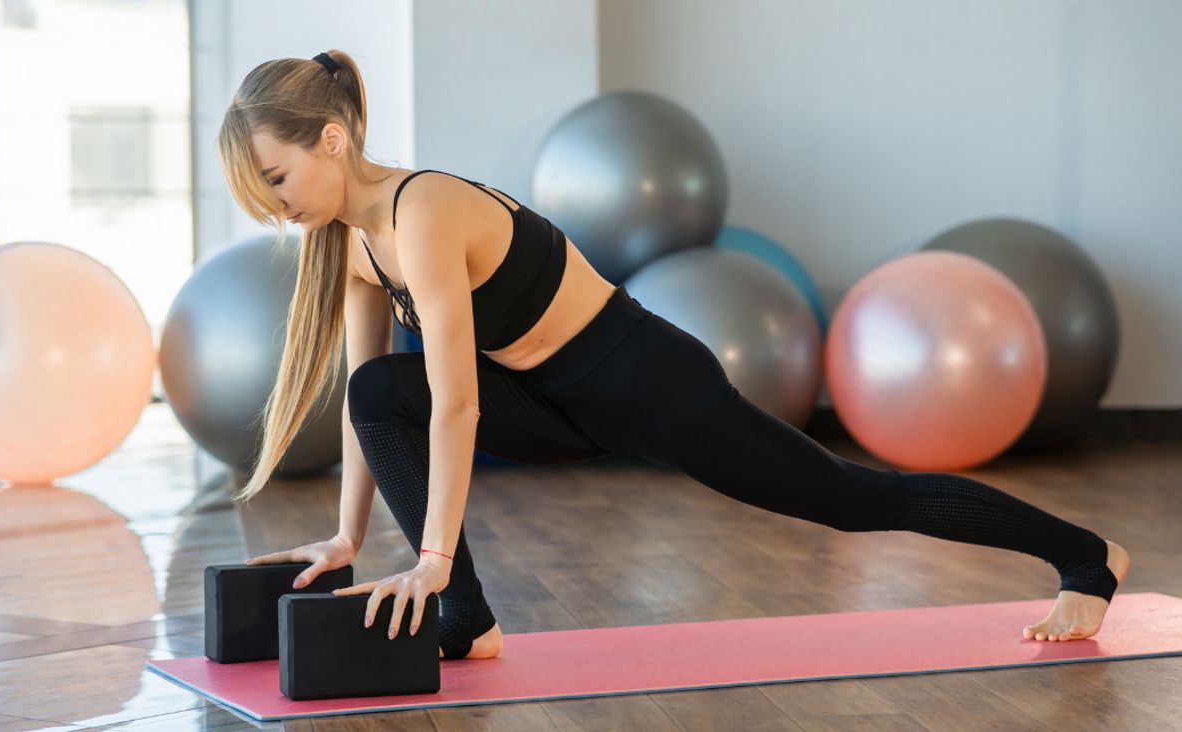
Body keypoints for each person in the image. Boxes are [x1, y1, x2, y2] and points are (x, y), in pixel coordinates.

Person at [219, 50, 1128, 661]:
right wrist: (345, 536)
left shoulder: (425, 212)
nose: (276, 204)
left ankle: (1087, 557)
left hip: (646, 382)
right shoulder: (349, 246)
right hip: (548, 403)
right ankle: (468, 617)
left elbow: (456, 403)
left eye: (277, 178)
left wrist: (430, 552)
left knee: (851, 501)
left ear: (330, 140)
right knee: (379, 382)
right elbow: (374, 403)